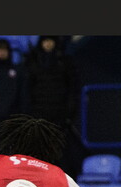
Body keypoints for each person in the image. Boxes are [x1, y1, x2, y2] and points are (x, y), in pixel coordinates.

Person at [23, 35, 83, 176]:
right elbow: (26, 91)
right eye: (45, 41)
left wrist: (69, 113)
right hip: (38, 117)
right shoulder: (32, 62)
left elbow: (72, 89)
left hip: (60, 118)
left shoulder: (65, 62)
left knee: (61, 155)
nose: (48, 44)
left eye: (50, 41)